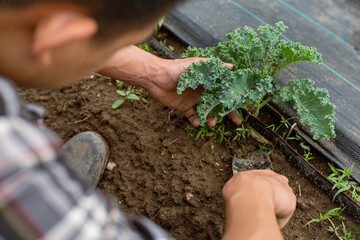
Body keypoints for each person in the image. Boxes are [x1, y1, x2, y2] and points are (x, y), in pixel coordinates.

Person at [0, 1, 296, 239]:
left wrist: (152, 72)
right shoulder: (8, 158)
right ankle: (46, 205)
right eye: (118, 44)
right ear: (59, 36)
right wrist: (251, 197)